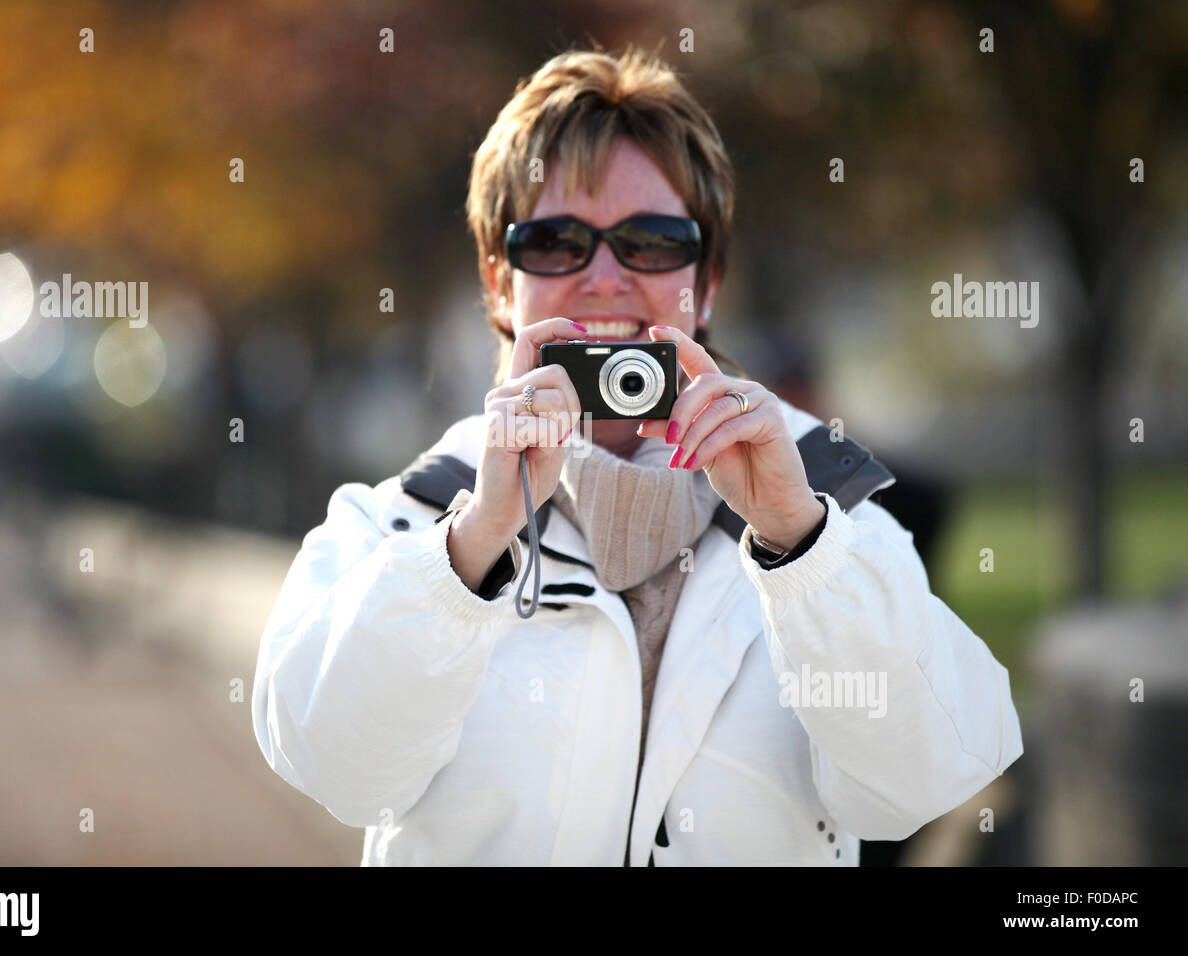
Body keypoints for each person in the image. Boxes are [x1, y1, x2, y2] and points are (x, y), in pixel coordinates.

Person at [251, 46, 1024, 866]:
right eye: (554, 242)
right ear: (499, 283)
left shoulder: (827, 507)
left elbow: (924, 778)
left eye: (652, 242)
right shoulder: (406, 519)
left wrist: (800, 544)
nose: (606, 278)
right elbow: (336, 768)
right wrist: (472, 547)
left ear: (710, 278)